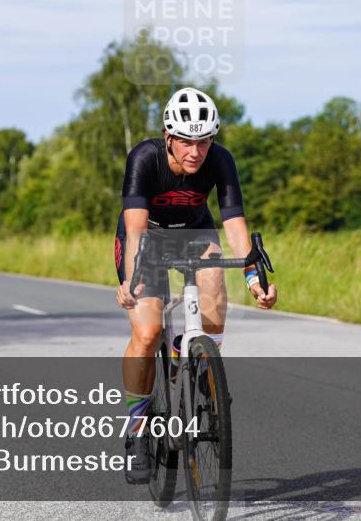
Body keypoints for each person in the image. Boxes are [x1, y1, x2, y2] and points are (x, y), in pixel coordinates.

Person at [114, 87, 278, 484]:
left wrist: (255, 278)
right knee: (149, 330)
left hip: (194, 232)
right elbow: (134, 228)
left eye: (204, 141)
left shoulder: (221, 161)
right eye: (186, 140)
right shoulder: (145, 157)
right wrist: (130, 279)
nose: (195, 151)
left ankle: (204, 375)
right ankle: (137, 430)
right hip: (147, 239)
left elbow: (234, 223)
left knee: (215, 282)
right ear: (168, 137)